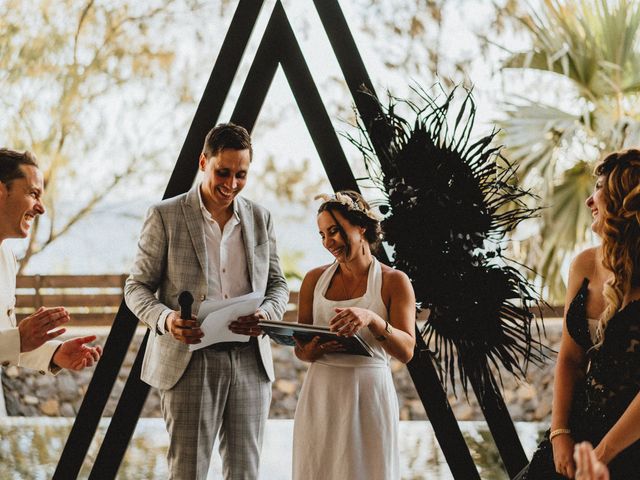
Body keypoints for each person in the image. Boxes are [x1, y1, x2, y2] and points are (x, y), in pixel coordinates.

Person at [124, 123, 289, 480]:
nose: (231, 184)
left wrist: (266, 312)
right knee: (188, 473)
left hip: (250, 362)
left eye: (241, 175)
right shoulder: (164, 215)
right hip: (189, 362)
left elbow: (277, 284)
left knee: (245, 473)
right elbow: (136, 287)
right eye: (223, 172)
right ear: (203, 162)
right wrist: (167, 320)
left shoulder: (261, 218)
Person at [516, 149, 640, 479]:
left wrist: (603, 454)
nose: (588, 201)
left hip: (631, 443)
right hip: (578, 435)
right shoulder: (584, 264)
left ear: (622, 199)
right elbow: (570, 358)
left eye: (598, 187)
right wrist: (560, 434)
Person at [292, 190, 416, 480]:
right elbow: (302, 347)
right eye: (322, 235)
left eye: (334, 231)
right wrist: (308, 352)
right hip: (320, 394)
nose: (328, 242)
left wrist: (372, 319)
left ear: (361, 227)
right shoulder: (313, 280)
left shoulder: (394, 281)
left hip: (368, 393)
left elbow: (407, 351)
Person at [0, 148, 102, 413]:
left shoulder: (7, 257)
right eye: (33, 193)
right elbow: (11, 341)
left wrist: (54, 354)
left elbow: (7, 344)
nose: (41, 208)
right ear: (1, 192)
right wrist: (18, 338)